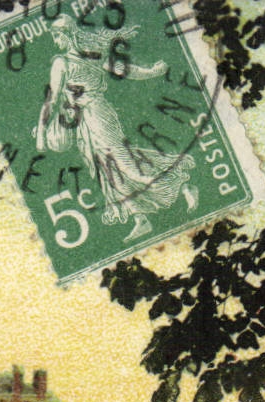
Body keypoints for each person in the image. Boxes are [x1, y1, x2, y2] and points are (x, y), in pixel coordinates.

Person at [34, 15, 198, 242]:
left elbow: (51, 100)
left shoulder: (62, 63)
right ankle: (140, 219)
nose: (54, 40)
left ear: (67, 34)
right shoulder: (87, 56)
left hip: (97, 116)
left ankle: (182, 186)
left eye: (56, 35)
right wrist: (151, 71)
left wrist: (42, 131)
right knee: (106, 170)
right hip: (86, 122)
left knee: (126, 166)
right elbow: (124, 70)